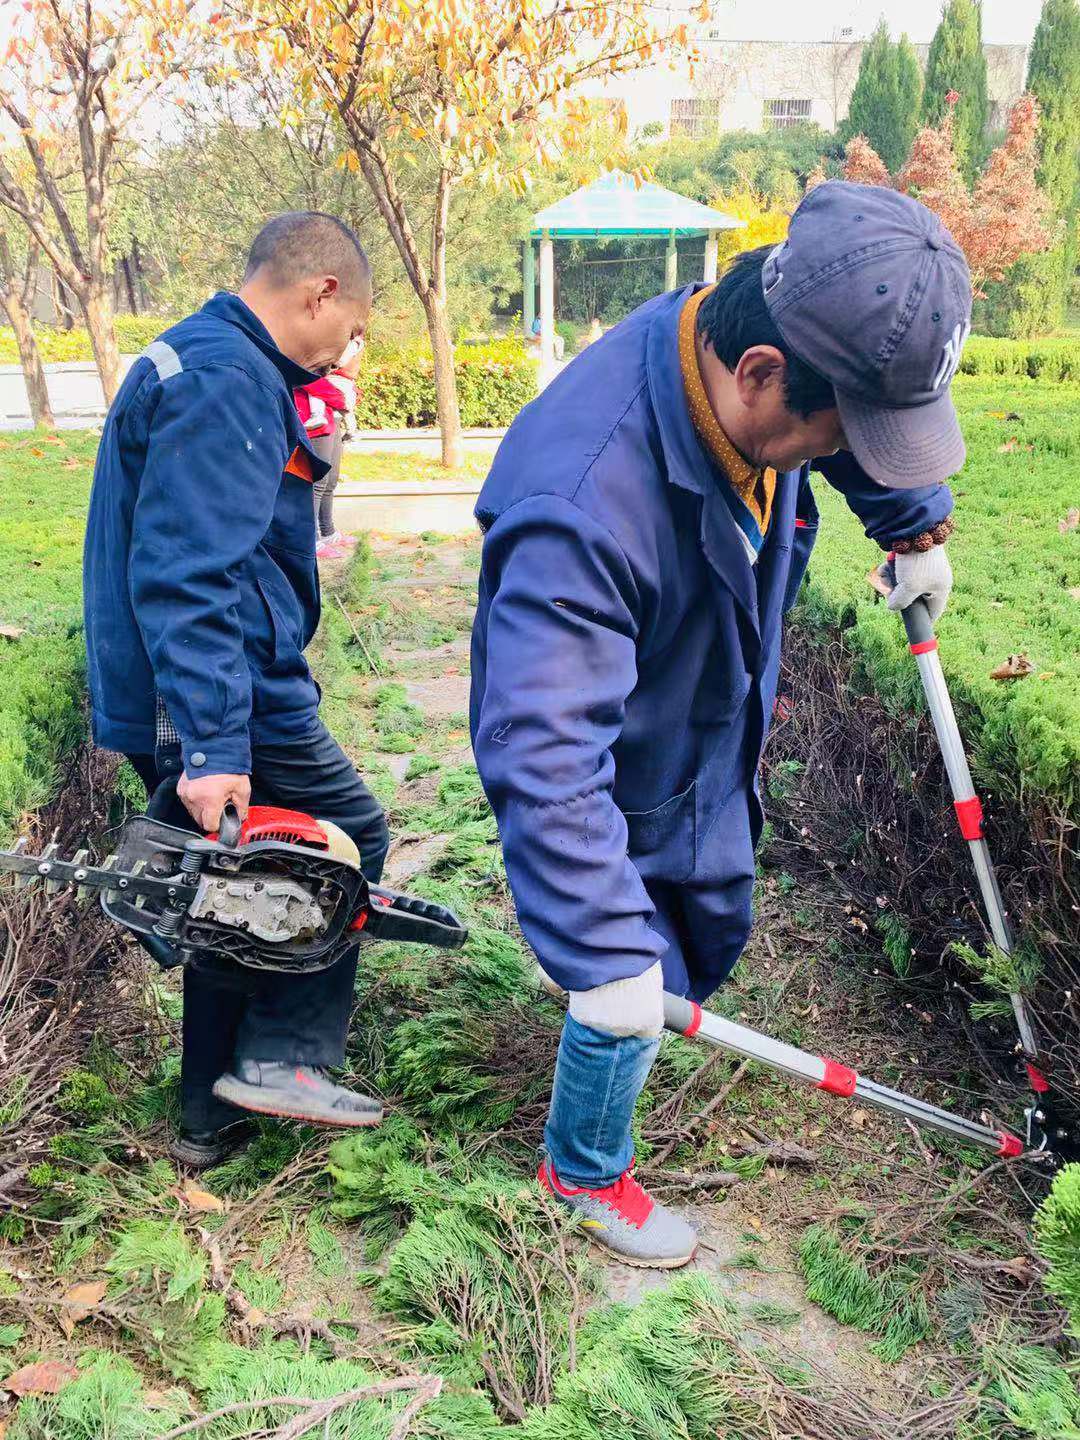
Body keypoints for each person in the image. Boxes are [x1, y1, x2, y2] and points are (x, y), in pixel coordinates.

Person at [470, 181, 965, 1267]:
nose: (846, 450)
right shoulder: (580, 505)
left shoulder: (766, 337)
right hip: (623, 727)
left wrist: (909, 521)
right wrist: (603, 954)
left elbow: (845, 422)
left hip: (704, 679)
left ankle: (625, 983)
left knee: (697, 907)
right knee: (629, 940)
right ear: (759, 377)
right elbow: (544, 751)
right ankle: (581, 1169)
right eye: (845, 435)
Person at [83, 212, 390, 1168]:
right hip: (228, 691)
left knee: (233, 882)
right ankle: (285, 1055)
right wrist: (215, 744)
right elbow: (187, 576)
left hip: (191, 682)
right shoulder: (227, 380)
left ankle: (207, 1115)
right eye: (351, 328)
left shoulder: (206, 357)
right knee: (345, 842)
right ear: (321, 292)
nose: (346, 350)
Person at [295, 337, 364, 561]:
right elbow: (306, 377)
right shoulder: (303, 346)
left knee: (331, 479)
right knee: (318, 481)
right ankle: (311, 540)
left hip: (331, 418)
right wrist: (338, 398)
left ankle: (327, 531)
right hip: (313, 421)